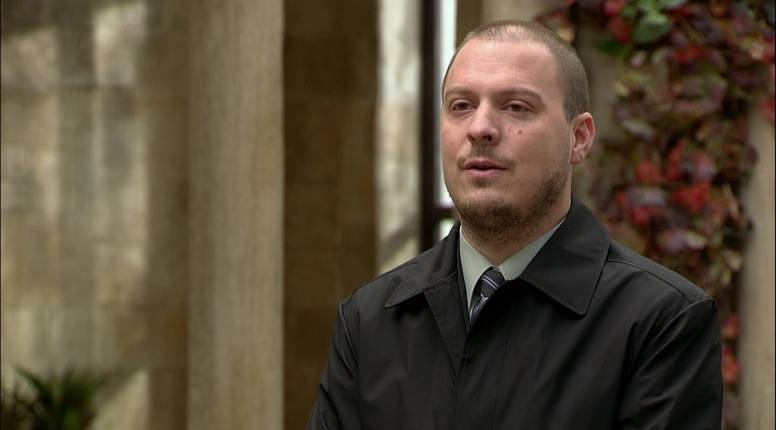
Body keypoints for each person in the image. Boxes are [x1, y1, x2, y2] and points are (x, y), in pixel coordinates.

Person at [308, 20, 722, 430]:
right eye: (461, 106)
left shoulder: (662, 322)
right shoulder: (370, 320)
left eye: (516, 106)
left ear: (579, 137)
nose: (480, 129)